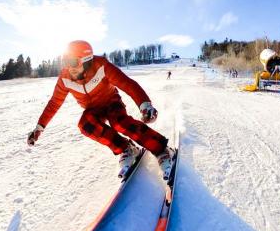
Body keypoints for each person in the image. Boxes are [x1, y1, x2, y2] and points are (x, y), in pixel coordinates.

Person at [27, 40, 174, 180]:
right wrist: (39, 127)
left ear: (86, 60)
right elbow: (54, 103)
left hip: (111, 101)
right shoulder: (65, 78)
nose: (69, 67)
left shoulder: (100, 66)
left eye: (73, 62)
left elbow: (127, 84)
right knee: (85, 125)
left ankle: (162, 149)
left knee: (118, 123)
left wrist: (144, 105)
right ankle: (126, 149)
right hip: (92, 109)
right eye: (65, 62)